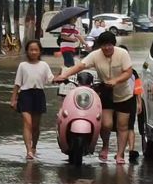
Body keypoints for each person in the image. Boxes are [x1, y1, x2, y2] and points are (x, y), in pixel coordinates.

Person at [55, 31, 133, 164]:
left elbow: (128, 72)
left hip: (124, 94)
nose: (107, 48)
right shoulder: (95, 55)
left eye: (109, 45)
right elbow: (80, 66)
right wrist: (65, 75)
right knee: (106, 124)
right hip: (107, 92)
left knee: (122, 126)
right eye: (104, 45)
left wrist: (116, 80)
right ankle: (105, 146)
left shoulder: (122, 54)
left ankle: (120, 155)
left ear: (113, 44)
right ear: (100, 45)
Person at [11, 40, 54, 160]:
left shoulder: (44, 65)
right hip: (25, 95)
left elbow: (50, 79)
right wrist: (13, 99)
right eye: (31, 50)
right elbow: (17, 83)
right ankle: (28, 150)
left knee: (35, 125)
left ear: (40, 51)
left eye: (36, 50)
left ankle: (34, 146)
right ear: (27, 51)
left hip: (39, 95)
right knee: (27, 123)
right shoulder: (22, 66)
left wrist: (61, 75)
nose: (34, 52)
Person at [118, 45, 143, 163]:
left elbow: (138, 88)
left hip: (131, 100)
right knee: (122, 127)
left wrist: (139, 102)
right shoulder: (114, 70)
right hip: (117, 99)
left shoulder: (133, 72)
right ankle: (121, 152)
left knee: (129, 126)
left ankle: (131, 150)